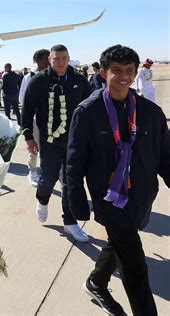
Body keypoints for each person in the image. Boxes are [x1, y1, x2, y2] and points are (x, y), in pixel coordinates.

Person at [67, 44, 169, 316]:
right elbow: (75, 161)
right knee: (135, 268)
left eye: (129, 71)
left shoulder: (150, 112)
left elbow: (165, 155)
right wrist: (75, 202)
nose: (123, 76)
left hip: (142, 196)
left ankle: (96, 282)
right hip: (109, 199)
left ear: (135, 73)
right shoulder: (87, 112)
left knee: (121, 242)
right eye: (116, 71)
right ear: (103, 73)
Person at [21, 44, 91, 242]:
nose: (60, 62)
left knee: (71, 182)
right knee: (49, 176)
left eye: (64, 58)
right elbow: (27, 111)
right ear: (50, 60)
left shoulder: (79, 80)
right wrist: (28, 137)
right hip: (50, 140)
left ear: (68, 59)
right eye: (56, 59)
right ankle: (42, 199)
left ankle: (70, 222)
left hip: (74, 140)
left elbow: (90, 107)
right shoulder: (39, 81)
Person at [18, 49, 50, 187]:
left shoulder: (52, 75)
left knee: (49, 147)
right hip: (35, 119)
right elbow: (22, 99)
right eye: (44, 59)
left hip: (50, 119)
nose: (48, 62)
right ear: (37, 60)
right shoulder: (29, 77)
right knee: (34, 147)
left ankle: (47, 170)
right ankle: (32, 172)